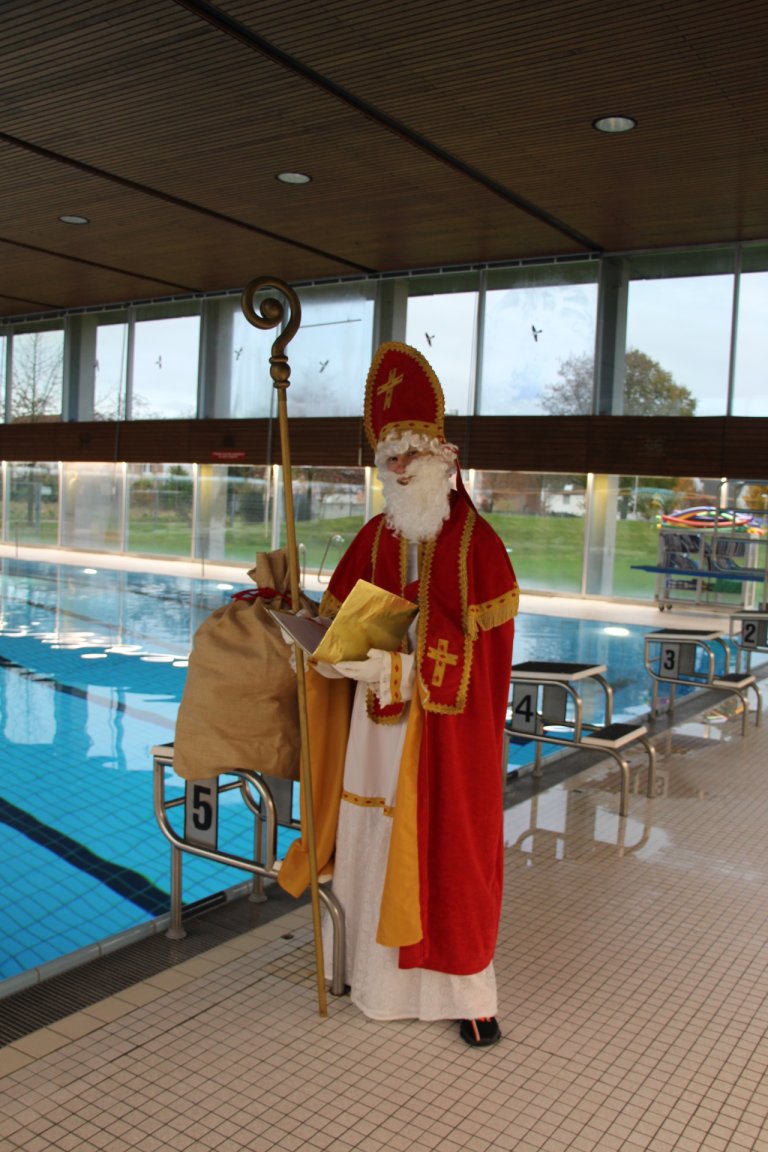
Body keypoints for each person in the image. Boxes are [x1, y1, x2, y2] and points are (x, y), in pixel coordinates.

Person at [277, 341, 518, 1047]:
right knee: (370, 841)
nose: (401, 466)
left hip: (440, 741)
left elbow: (486, 663)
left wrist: (407, 671)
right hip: (371, 738)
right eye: (389, 456)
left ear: (443, 455)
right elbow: (336, 626)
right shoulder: (372, 539)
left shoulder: (480, 548)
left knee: (448, 856)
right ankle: (365, 974)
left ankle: (465, 994)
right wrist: (310, 636)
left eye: (412, 452)